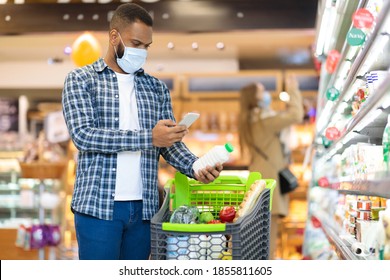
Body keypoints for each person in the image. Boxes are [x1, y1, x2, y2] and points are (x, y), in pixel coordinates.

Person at [61, 3, 222, 260]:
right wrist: (148, 137)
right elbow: (84, 135)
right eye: (135, 43)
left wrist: (196, 166)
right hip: (97, 208)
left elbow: (168, 144)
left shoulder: (156, 88)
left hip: (145, 208)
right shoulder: (81, 80)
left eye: (146, 46)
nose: (141, 52)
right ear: (114, 37)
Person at [238, 76, 304, 259]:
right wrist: (293, 90)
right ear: (255, 98)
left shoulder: (250, 121)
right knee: (268, 238)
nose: (266, 93)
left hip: (259, 178)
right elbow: (296, 115)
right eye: (262, 91)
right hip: (269, 182)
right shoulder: (264, 121)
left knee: (261, 236)